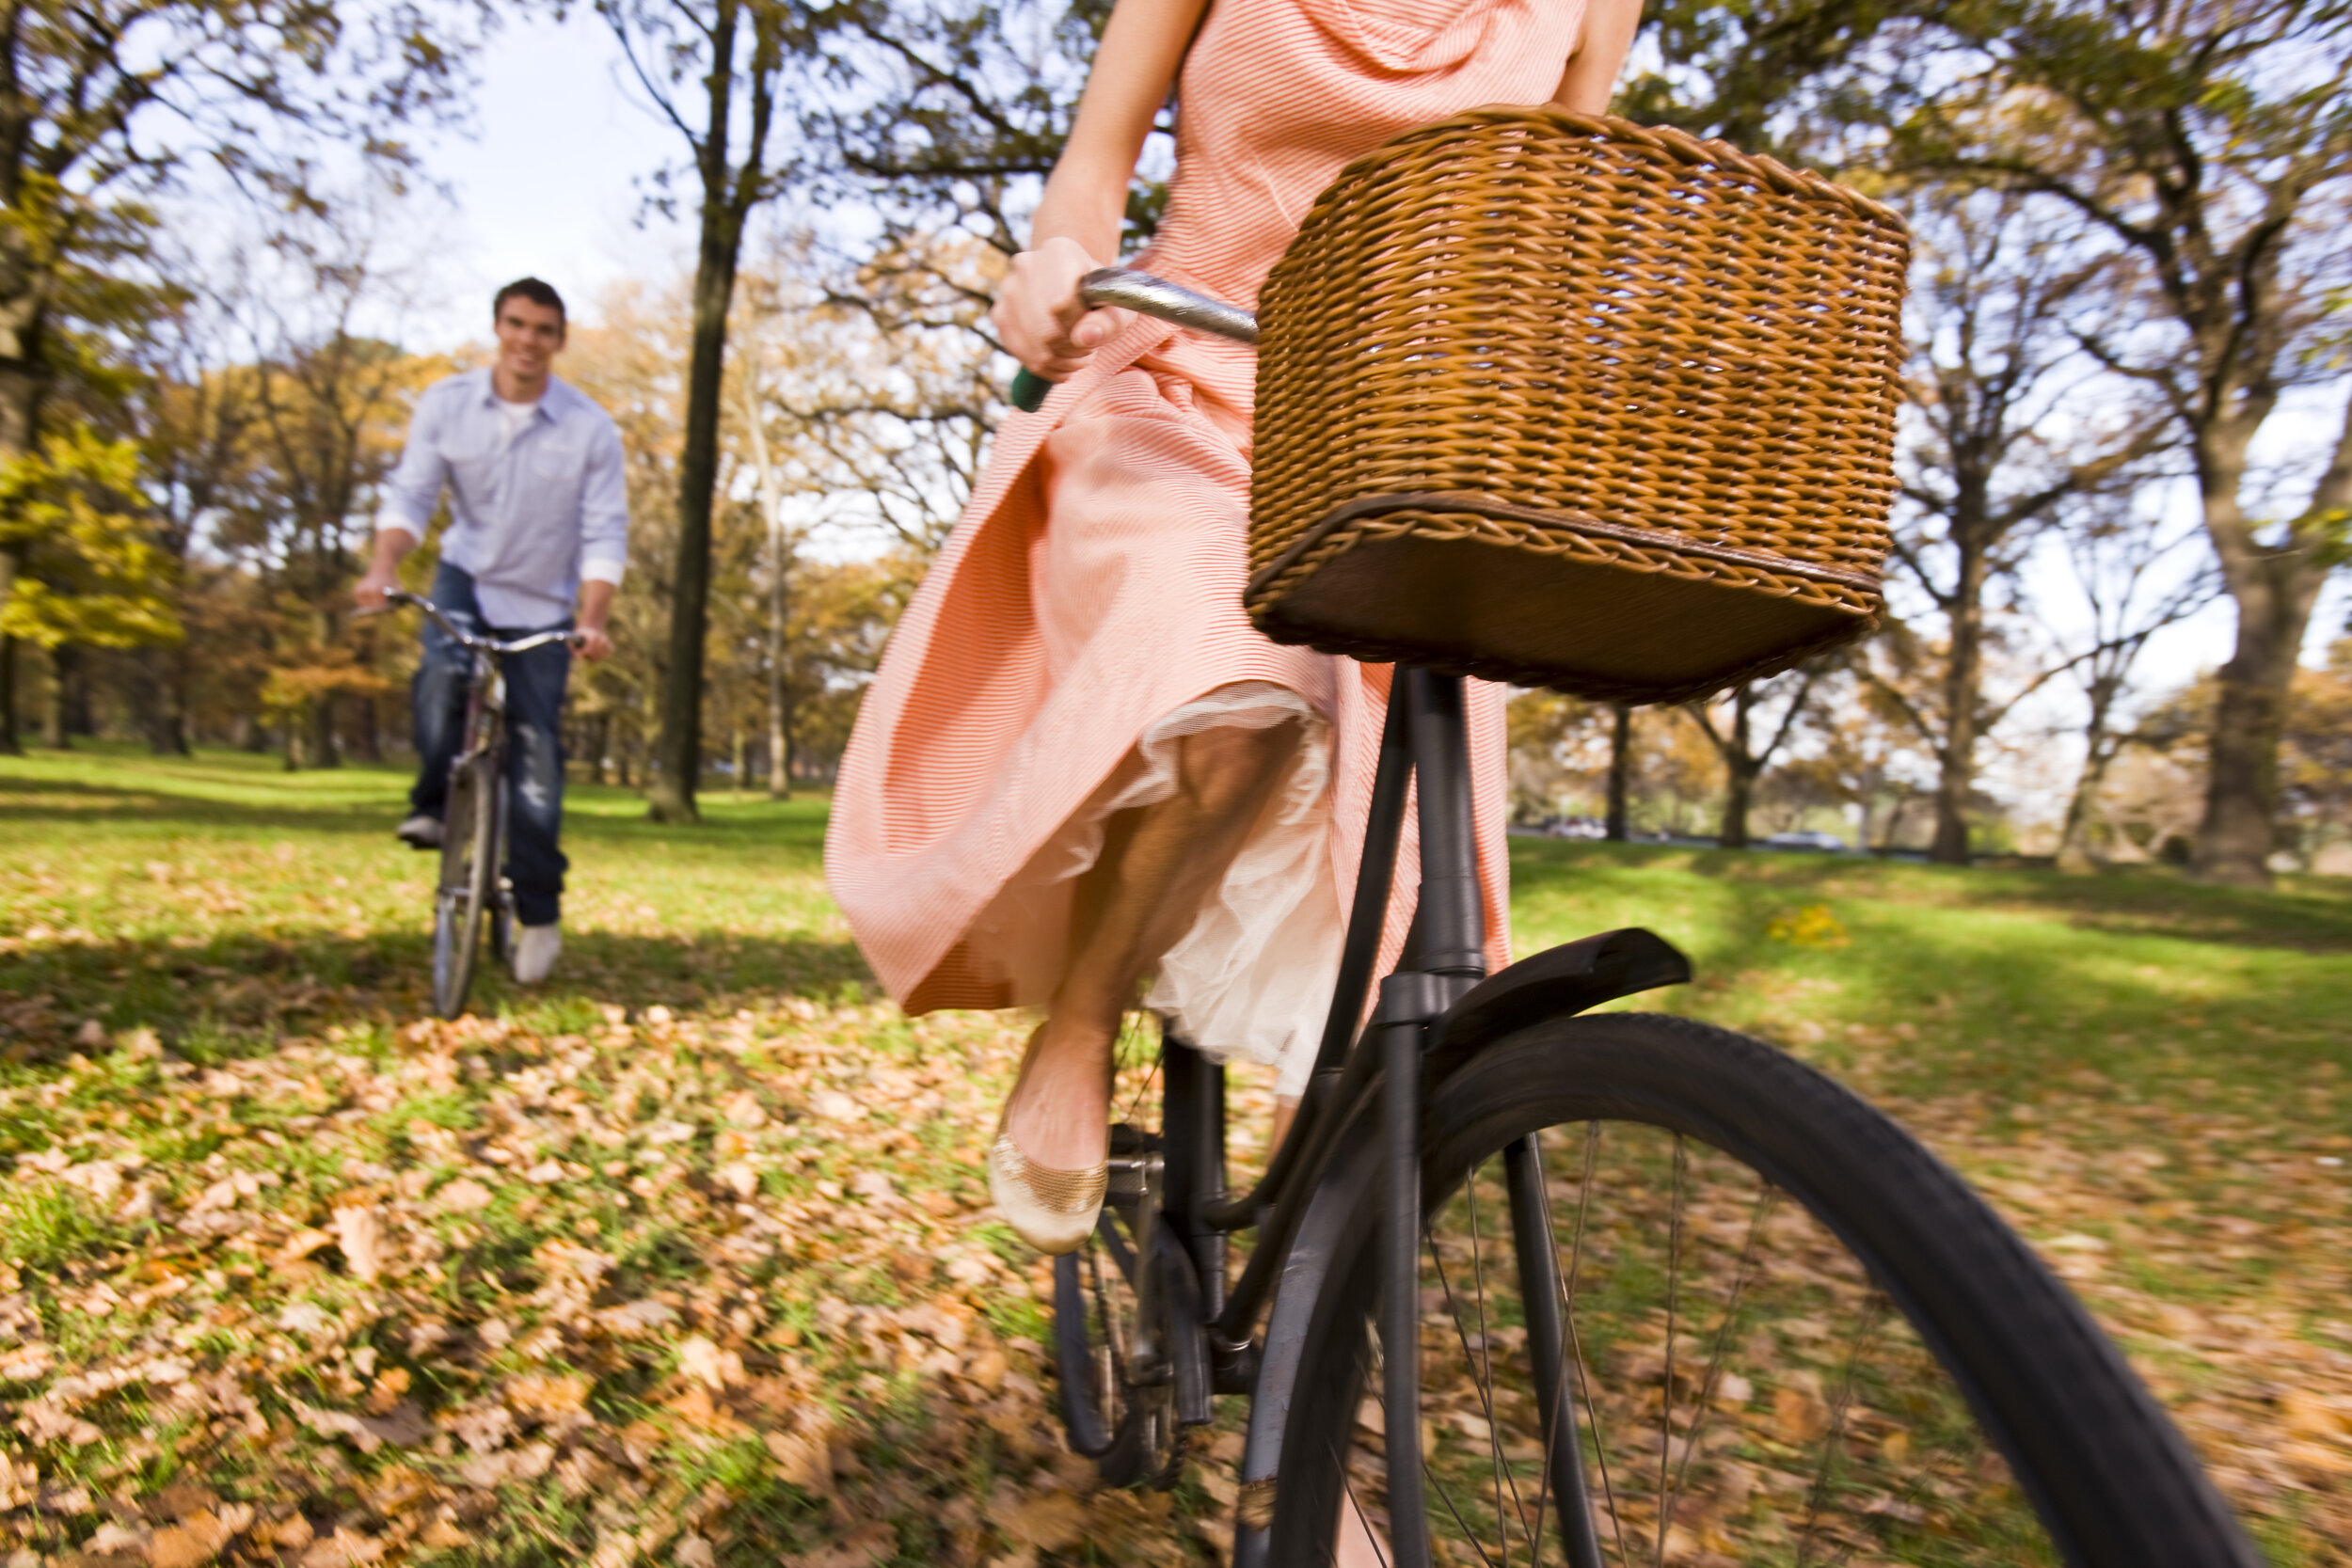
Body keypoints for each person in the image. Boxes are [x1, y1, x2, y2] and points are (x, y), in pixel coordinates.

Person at [826, 0, 1645, 1256]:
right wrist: (1054, 260)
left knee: (1400, 900)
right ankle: (1082, 1023)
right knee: (1246, 680)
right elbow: (1094, 167)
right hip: (1190, 381)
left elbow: (1552, 235)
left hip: (1400, 447)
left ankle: (1310, 1154)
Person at [353, 277, 629, 987]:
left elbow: (604, 531)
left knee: (536, 763)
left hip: (545, 600)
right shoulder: (447, 404)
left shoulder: (588, 427)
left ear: (559, 341)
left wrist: (591, 620)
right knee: (442, 675)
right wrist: (384, 567)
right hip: (466, 577)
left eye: (543, 329)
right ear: (497, 327)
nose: (527, 340)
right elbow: (412, 492)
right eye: (516, 324)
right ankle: (435, 807)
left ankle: (537, 911)